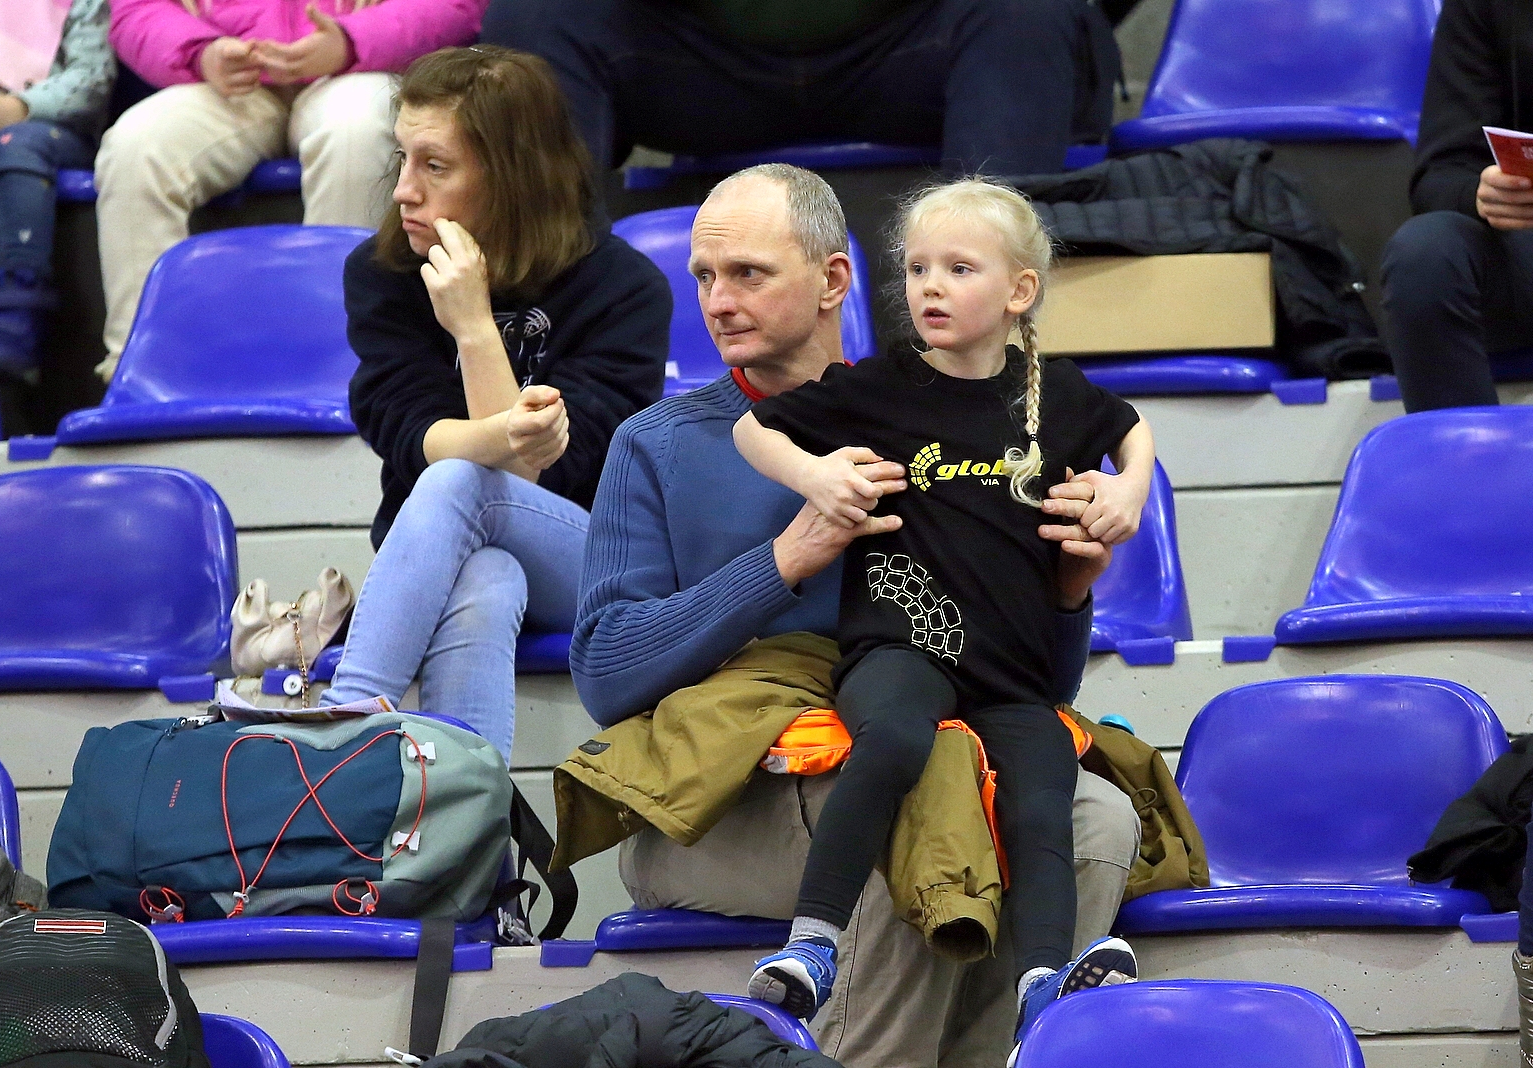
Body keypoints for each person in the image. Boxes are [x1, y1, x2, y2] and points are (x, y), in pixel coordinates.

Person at [572, 163, 1141, 1067]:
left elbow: (1029, 683)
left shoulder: (952, 412)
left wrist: (1069, 590)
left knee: (1099, 821)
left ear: (834, 278)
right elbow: (606, 674)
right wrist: (783, 560)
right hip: (725, 796)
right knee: (930, 815)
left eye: (748, 274)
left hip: (914, 739)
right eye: (705, 277)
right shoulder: (657, 442)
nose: (718, 302)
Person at [731, 177, 1154, 1051]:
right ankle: (811, 947)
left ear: (1018, 291)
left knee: (1044, 795)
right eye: (918, 268)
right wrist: (816, 476)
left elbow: (1132, 429)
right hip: (900, 646)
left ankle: (1042, 985)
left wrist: (1130, 492)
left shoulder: (1056, 393)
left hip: (1011, 674)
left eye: (959, 269)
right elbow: (752, 430)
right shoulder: (882, 386)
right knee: (892, 739)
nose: (930, 286)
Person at [319, 46, 670, 760]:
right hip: (447, 551)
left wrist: (476, 330)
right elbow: (408, 434)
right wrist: (511, 432)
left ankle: (339, 732)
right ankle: (469, 814)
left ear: (511, 174)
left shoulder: (623, 289)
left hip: (589, 561)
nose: (403, 191)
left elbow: (541, 477)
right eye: (403, 159)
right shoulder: (385, 274)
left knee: (461, 482)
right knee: (486, 576)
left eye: (435, 166)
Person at [92, 0, 486, 381]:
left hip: (360, 67)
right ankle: (140, 373)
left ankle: (348, 368)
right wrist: (199, 52)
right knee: (135, 146)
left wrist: (351, 41)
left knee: (356, 133)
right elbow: (136, 8)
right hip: (225, 82)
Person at [477, 0, 1119, 183]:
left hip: (914, 45)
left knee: (1026, 9)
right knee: (537, 15)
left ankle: (989, 321)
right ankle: (548, 319)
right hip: (697, 60)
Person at [0, 0, 115, 383]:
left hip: (49, 126)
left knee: (15, 145)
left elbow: (91, 80)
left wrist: (19, 107)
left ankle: (19, 305)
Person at [1379, 0, 1533, 412]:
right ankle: (1460, 451)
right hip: (1524, 247)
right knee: (1424, 252)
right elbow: (1440, 174)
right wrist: (1482, 196)